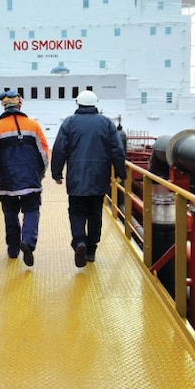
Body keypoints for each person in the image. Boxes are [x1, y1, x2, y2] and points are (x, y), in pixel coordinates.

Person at [51, 90, 126, 267]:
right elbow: (117, 149)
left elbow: (59, 149)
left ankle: (79, 242)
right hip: (99, 178)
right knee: (95, 214)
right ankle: (91, 249)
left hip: (76, 178)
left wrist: (56, 173)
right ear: (95, 104)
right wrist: (121, 174)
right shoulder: (106, 123)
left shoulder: (69, 123)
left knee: (76, 211)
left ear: (78, 104)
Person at [0, 88, 50, 266]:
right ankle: (28, 240)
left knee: (10, 214)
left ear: (3, 106)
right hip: (31, 179)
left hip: (7, 181)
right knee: (31, 211)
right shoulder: (33, 125)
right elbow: (44, 152)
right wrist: (42, 172)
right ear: (20, 104)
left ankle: (13, 249)